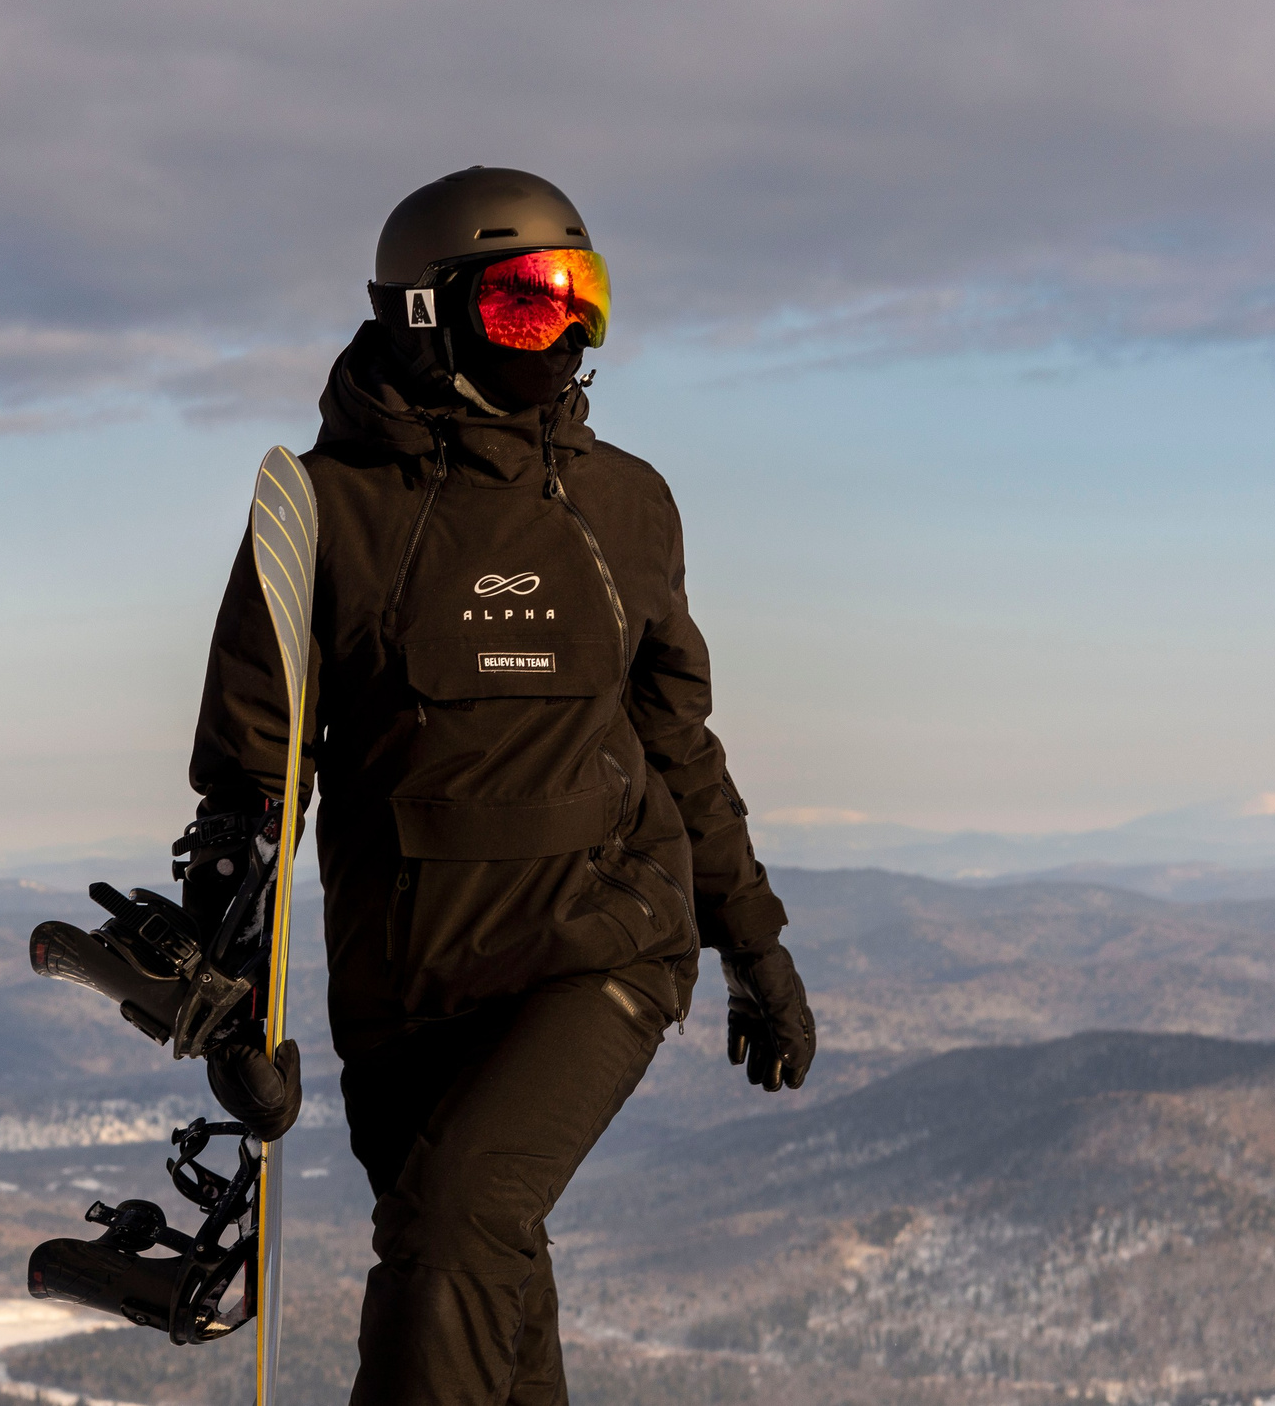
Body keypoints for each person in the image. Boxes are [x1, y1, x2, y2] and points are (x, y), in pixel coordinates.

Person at [189, 166, 815, 1404]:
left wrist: (753, 947)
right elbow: (254, 793)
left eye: (586, 297)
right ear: (430, 313)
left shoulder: (623, 504)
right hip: (409, 980)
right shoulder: (324, 516)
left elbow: (678, 740)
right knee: (477, 1260)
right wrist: (236, 1015)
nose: (571, 332)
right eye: (530, 302)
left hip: (603, 944)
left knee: (458, 1228)